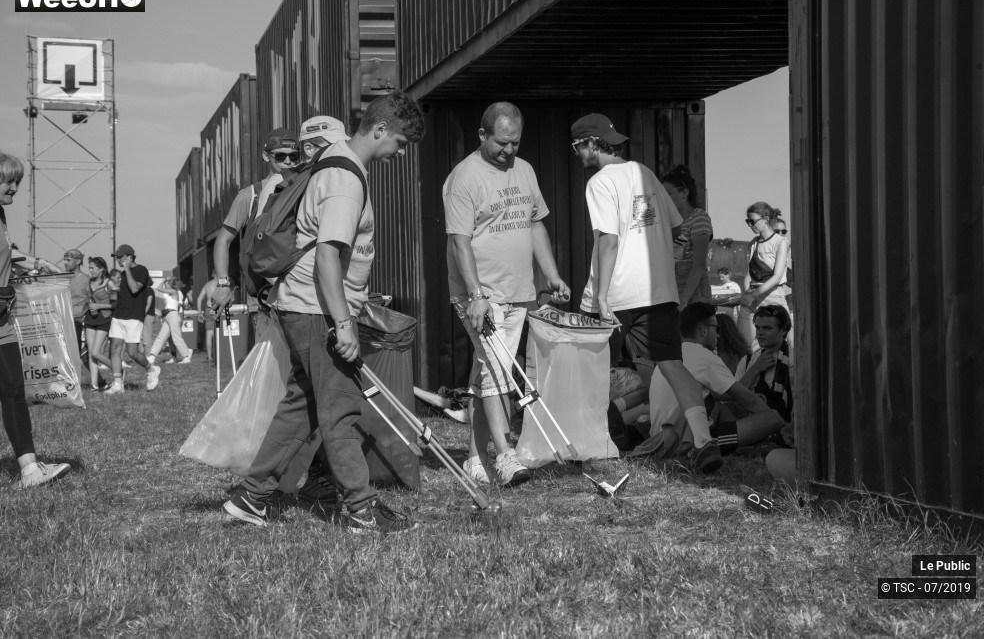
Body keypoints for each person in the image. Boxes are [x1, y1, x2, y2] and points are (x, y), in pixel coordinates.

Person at [223, 91, 426, 533]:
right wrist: (344, 323)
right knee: (340, 407)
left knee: (304, 405)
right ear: (380, 130)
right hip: (319, 309)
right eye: (402, 142)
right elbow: (329, 256)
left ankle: (252, 498)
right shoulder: (347, 180)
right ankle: (360, 508)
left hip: (301, 304)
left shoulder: (332, 157)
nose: (401, 152)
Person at [570, 112, 722, 473]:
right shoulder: (645, 173)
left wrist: (602, 297)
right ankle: (704, 440)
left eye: (578, 147)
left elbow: (608, 239)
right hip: (658, 290)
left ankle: (596, 444)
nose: (578, 154)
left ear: (592, 144)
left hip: (617, 292)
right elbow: (676, 228)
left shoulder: (600, 183)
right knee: (671, 363)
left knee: (592, 367)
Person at [444, 101, 570, 487]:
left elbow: (535, 226)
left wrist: (551, 276)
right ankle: (504, 455)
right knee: (496, 370)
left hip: (520, 291)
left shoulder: (525, 170)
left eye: (515, 143)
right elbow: (459, 242)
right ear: (482, 135)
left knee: (489, 370)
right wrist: (476, 294)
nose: (509, 151)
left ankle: (474, 458)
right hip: (480, 295)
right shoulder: (464, 178)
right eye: (502, 143)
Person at [0, 151, 71, 487]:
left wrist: (37, 263)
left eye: (17, 182)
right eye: (7, 180)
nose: (13, 188)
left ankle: (29, 469)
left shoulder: (0, 215)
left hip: (2, 317)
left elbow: (7, 253)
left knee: (13, 391)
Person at [642, 303, 785, 461]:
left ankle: (743, 444)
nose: (718, 336)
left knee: (715, 406)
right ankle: (708, 447)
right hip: (680, 442)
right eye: (717, 330)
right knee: (773, 418)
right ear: (704, 330)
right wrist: (776, 426)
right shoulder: (704, 357)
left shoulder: (673, 356)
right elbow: (747, 399)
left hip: (661, 436)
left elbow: (718, 396)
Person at [210, 128, 303, 315]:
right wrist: (222, 284)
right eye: (280, 156)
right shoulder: (249, 196)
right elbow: (223, 240)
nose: (287, 161)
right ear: (266, 156)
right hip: (263, 297)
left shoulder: (305, 188)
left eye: (294, 156)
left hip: (299, 292)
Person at [736, 304, 794, 448]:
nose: (760, 333)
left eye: (767, 328)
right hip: (753, 425)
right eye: (757, 327)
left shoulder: (796, 359)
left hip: (788, 426)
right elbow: (734, 397)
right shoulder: (748, 361)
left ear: (783, 330)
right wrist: (755, 369)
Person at [106, 244, 160, 394]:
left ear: (130, 257)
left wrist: (128, 269)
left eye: (121, 257)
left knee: (132, 353)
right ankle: (118, 384)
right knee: (115, 349)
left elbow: (135, 288)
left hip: (134, 316)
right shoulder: (123, 274)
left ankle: (151, 370)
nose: (118, 260)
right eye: (117, 257)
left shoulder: (141, 270)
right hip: (118, 315)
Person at [738, 202, 791, 349]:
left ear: (765, 218)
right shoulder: (753, 243)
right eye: (747, 221)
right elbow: (748, 275)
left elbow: (777, 277)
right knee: (744, 346)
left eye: (752, 221)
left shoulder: (780, 242)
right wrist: (747, 293)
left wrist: (752, 295)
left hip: (773, 297)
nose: (750, 225)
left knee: (786, 344)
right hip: (752, 298)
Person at [662, 165, 713, 307]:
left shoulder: (699, 218)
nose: (664, 199)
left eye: (668, 194)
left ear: (684, 193)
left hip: (693, 296)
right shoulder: (665, 221)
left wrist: (684, 301)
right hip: (671, 293)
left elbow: (699, 264)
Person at [83, 256, 114, 390]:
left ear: (101, 269)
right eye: (89, 268)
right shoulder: (89, 282)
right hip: (90, 319)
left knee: (96, 352)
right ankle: (94, 385)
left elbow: (114, 304)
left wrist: (99, 306)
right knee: (91, 353)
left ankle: (118, 371)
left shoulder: (109, 283)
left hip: (104, 318)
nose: (90, 271)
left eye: (93, 268)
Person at [147, 277, 192, 364]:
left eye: (166, 283)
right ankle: (152, 356)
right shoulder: (169, 293)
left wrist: (163, 280)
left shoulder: (173, 291)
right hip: (168, 316)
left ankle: (186, 356)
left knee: (176, 338)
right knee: (161, 337)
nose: (165, 284)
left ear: (170, 284)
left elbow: (159, 289)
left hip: (173, 316)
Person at [62, 249, 91, 361]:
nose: (65, 263)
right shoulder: (63, 279)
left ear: (78, 261)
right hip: (62, 320)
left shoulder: (86, 280)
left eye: (68, 260)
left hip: (77, 321)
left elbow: (92, 300)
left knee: (74, 355)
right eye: (64, 260)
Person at [196, 271, 218, 362]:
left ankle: (209, 357)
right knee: (219, 334)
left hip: (208, 310)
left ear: (212, 274)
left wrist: (199, 313)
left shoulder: (207, 285)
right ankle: (219, 355)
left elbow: (199, 299)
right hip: (218, 310)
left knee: (209, 335)